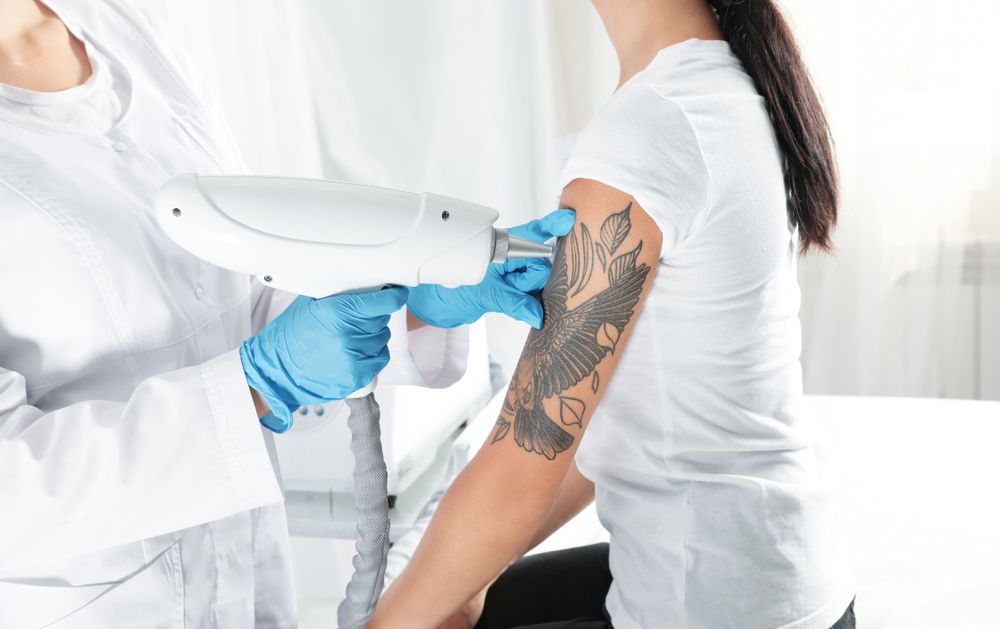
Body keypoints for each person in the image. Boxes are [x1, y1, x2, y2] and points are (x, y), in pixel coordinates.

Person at [0, 0, 571, 626]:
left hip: (254, 585)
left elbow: (227, 293)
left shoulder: (119, 28)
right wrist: (259, 384)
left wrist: (412, 300)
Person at [370, 1, 856, 628]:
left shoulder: (655, 125)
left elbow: (524, 465)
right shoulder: (723, 85)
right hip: (787, 580)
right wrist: (466, 581)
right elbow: (604, 432)